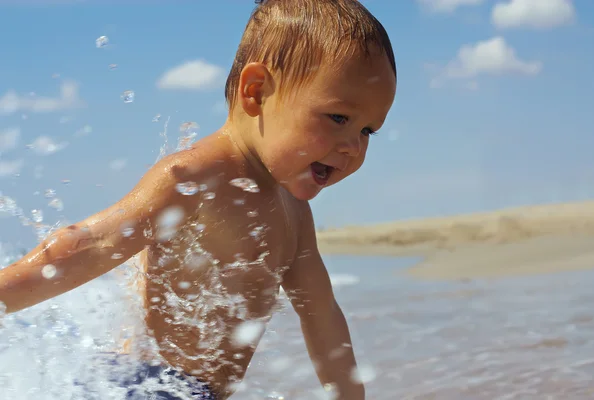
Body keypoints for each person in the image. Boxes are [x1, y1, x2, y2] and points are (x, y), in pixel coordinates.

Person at [0, 0, 396, 398]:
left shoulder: (295, 214)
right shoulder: (194, 178)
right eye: (339, 118)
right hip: (144, 385)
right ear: (256, 92)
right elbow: (91, 244)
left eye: (368, 131)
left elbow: (322, 315)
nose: (352, 147)